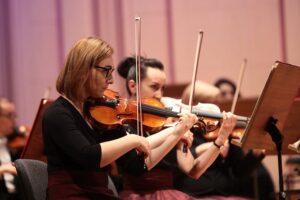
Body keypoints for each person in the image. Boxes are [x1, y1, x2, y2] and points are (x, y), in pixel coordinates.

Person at [42, 37, 198, 200]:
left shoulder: (96, 114)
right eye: (106, 71)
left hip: (98, 194)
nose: (111, 80)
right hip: (72, 195)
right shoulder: (58, 114)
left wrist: (176, 131)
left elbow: (138, 165)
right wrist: (132, 140)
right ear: (84, 69)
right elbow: (89, 157)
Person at [116, 56, 237, 199]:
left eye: (163, 88)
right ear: (133, 86)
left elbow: (193, 170)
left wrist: (221, 139)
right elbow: (138, 166)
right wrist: (174, 132)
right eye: (154, 87)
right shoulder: (121, 122)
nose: (160, 95)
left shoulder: (170, 123)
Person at [173, 81, 275, 200]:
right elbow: (176, 167)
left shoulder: (223, 130)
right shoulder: (183, 130)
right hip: (194, 193)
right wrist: (202, 149)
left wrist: (255, 154)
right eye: (211, 104)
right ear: (194, 104)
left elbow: (238, 171)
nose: (217, 111)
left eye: (218, 104)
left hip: (225, 193)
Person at [0, 98, 19, 200]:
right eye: (9, 116)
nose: (14, 120)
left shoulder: (13, 142)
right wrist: (3, 169)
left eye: (14, 115)